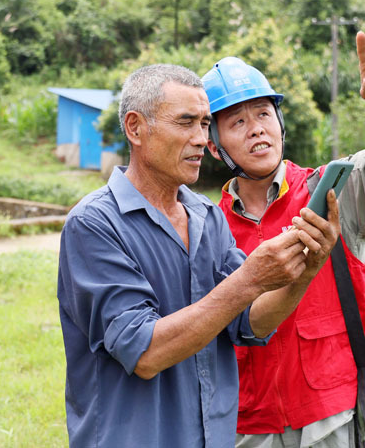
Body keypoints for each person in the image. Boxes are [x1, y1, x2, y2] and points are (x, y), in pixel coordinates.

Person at [57, 64, 340, 448]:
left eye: (205, 124)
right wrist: (251, 278)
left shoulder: (206, 217)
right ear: (135, 128)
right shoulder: (93, 225)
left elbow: (251, 322)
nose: (199, 139)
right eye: (186, 122)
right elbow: (145, 352)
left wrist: (306, 270)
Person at [202, 13, 365, 447]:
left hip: (332, 416)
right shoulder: (206, 228)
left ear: (281, 122)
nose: (256, 129)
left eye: (263, 113)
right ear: (214, 145)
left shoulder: (333, 191)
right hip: (246, 425)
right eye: (237, 122)